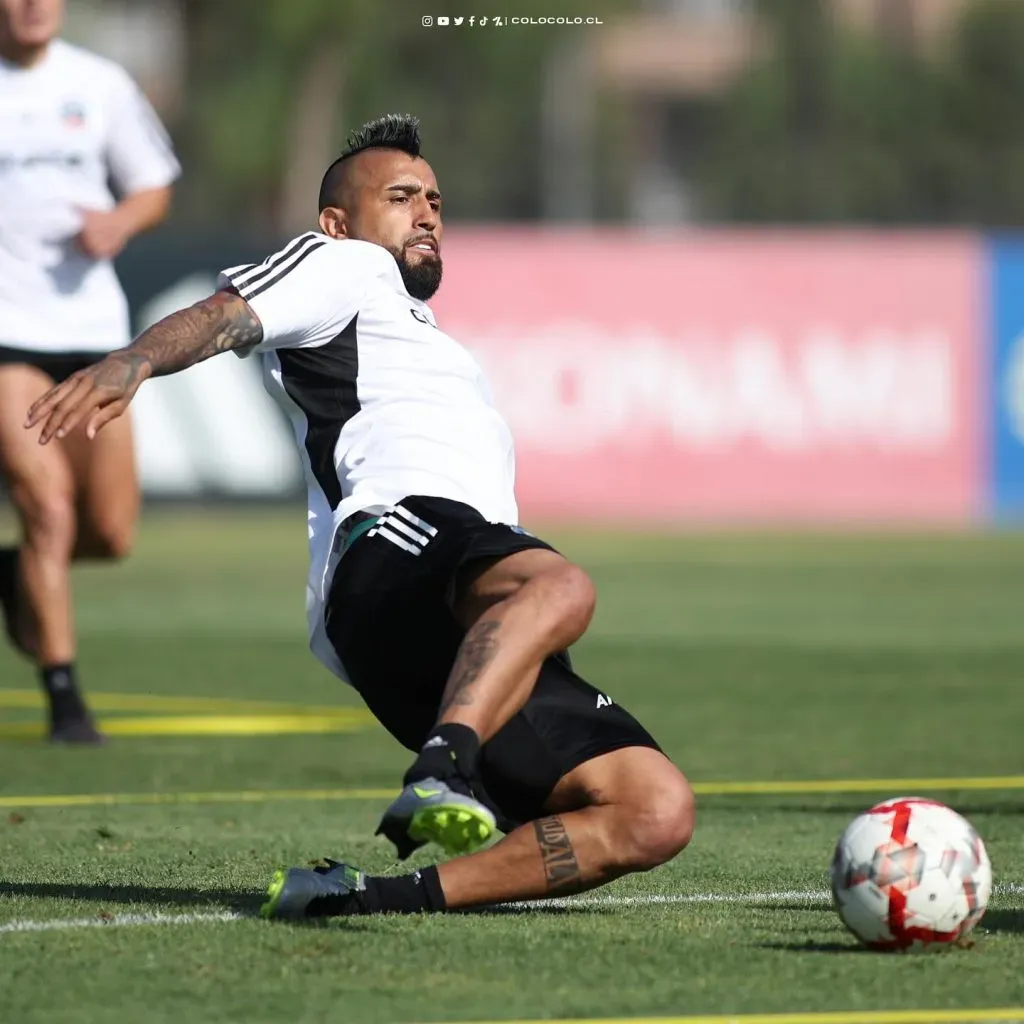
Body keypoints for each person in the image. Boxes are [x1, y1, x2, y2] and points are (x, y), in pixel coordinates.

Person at [26, 113, 694, 914]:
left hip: (461, 618)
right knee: (561, 588)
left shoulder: (427, 337)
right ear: (339, 222)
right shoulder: (341, 265)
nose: (428, 214)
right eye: (403, 196)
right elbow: (227, 314)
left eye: (437, 202)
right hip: (394, 547)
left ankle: (370, 895)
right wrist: (133, 360)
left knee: (653, 811)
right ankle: (444, 770)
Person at [0, 0, 180, 743]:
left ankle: (15, 576)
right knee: (47, 507)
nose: (34, 3)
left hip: (91, 336)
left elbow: (154, 186)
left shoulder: (100, 83)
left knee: (108, 532)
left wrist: (120, 220)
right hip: (7, 337)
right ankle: (66, 700)